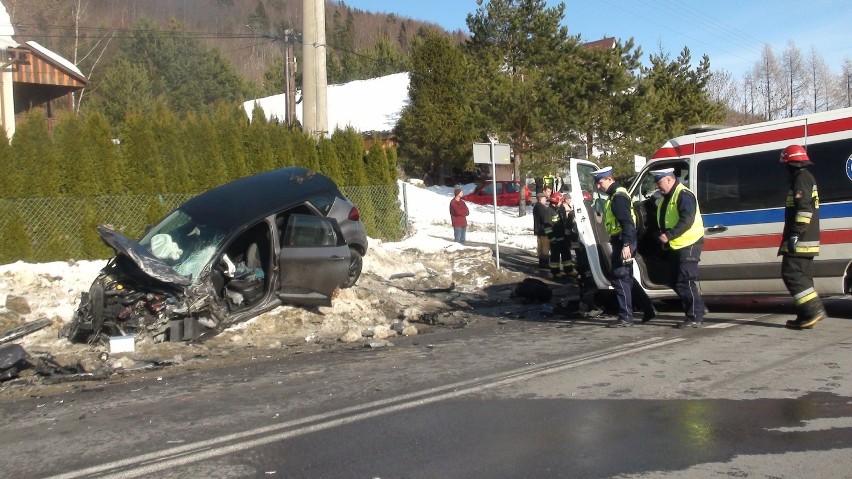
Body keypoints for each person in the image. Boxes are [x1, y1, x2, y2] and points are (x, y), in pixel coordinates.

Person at [592, 166, 656, 328]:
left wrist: (626, 244)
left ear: (610, 179)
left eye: (600, 183)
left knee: (619, 276)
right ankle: (648, 309)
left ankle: (625, 317)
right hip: (623, 240)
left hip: (623, 240)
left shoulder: (618, 197)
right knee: (625, 277)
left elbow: (627, 222)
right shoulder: (616, 194)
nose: (599, 187)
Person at [777, 145, 826, 329]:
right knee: (803, 277)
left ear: (791, 164)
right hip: (807, 239)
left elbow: (804, 210)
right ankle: (805, 316)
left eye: (785, 164)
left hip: (802, 240)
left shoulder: (801, 179)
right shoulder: (806, 178)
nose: (785, 168)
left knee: (791, 273)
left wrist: (795, 235)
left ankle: (813, 310)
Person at [652, 167, 706, 329]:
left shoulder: (684, 195)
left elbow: (687, 220)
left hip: (689, 243)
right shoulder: (666, 198)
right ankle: (699, 308)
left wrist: (670, 235)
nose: (658, 186)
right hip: (677, 245)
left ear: (669, 179)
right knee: (673, 281)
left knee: (685, 280)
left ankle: (695, 316)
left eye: (660, 182)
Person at [545, 192, 577, 280]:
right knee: (555, 256)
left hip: (563, 236)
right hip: (555, 237)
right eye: (560, 201)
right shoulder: (549, 211)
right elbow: (547, 226)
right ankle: (555, 272)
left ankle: (569, 270)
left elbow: (564, 221)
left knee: (566, 254)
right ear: (555, 201)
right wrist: (551, 238)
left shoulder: (561, 208)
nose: (561, 202)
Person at [532, 191, 551, 268]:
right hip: (543, 231)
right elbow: (544, 219)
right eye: (545, 198)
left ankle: (541, 262)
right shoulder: (542, 207)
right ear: (541, 199)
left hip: (538, 230)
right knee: (545, 247)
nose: (546, 200)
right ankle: (545, 263)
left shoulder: (536, 206)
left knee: (540, 247)